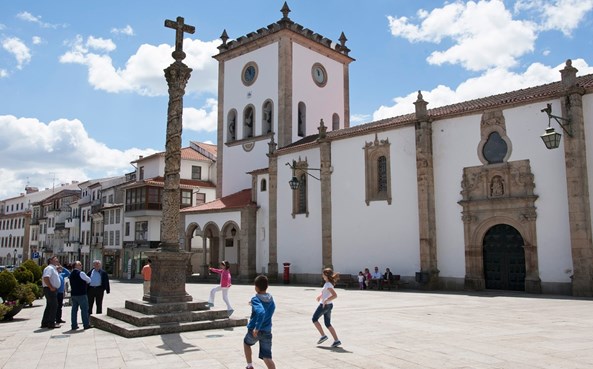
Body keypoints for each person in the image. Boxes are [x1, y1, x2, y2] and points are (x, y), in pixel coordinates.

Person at [244, 275, 276, 369]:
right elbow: (272, 308)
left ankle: (249, 365)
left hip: (255, 330)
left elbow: (261, 312)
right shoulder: (270, 298)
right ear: (267, 286)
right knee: (267, 356)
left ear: (256, 287)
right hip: (267, 331)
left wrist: (257, 328)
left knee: (246, 343)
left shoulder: (256, 299)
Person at [312, 267, 341, 348]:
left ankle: (323, 335)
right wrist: (320, 296)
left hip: (324, 305)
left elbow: (335, 295)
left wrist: (325, 300)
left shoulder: (328, 284)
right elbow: (325, 293)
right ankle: (336, 340)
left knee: (314, 319)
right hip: (329, 305)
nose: (322, 275)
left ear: (326, 275)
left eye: (323, 274)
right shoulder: (327, 283)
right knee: (328, 324)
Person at [70, 261, 92, 330]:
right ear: (76, 266)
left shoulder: (71, 274)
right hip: (81, 294)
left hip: (74, 294)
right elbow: (89, 280)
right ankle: (86, 324)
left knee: (74, 310)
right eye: (80, 265)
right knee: (84, 310)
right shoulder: (81, 273)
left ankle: (74, 325)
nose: (81, 266)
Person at [41, 256, 62, 329]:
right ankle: (51, 323)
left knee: (49, 306)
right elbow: (46, 278)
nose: (57, 261)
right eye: (55, 260)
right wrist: (51, 287)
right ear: (51, 260)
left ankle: (45, 322)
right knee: (54, 305)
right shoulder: (49, 268)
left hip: (52, 289)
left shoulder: (53, 268)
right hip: (50, 289)